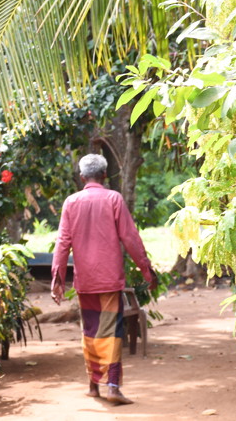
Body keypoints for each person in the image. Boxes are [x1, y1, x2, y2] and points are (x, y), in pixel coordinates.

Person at [51, 153, 157, 405]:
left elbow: (62, 242)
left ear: (81, 177)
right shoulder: (113, 198)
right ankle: (112, 387)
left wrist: (57, 279)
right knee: (111, 332)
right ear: (105, 175)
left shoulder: (71, 202)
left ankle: (93, 386)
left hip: (85, 282)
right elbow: (130, 238)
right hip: (109, 280)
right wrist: (146, 270)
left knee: (90, 331)